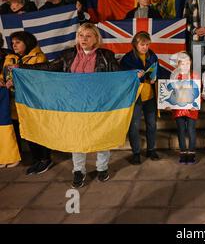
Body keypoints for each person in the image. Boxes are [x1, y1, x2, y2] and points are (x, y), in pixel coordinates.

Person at [21, 23, 120, 187]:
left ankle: (102, 168)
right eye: (81, 35)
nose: (84, 39)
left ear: (96, 38)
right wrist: (22, 67)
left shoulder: (106, 55)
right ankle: (78, 171)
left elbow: (119, 76)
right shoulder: (68, 54)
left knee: (102, 137)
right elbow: (49, 67)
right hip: (74, 105)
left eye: (88, 36)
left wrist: (134, 74)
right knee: (76, 138)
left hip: (98, 105)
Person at [3, 31, 51, 174]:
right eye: (12, 43)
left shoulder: (38, 57)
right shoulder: (12, 58)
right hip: (18, 103)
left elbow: (38, 80)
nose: (14, 45)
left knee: (38, 131)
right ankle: (36, 160)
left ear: (27, 42)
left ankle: (45, 159)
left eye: (18, 42)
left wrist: (16, 80)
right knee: (27, 132)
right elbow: (5, 75)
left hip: (34, 102)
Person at [120, 32, 159, 164]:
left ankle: (151, 149)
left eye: (147, 45)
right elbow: (122, 78)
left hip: (150, 96)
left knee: (152, 124)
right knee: (134, 126)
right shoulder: (127, 59)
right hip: (135, 97)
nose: (145, 47)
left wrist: (154, 77)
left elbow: (156, 70)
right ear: (135, 44)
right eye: (142, 44)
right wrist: (134, 76)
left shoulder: (152, 56)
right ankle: (136, 152)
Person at [169, 52, 200, 164]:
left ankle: (191, 152)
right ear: (178, 64)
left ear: (191, 63)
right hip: (178, 108)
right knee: (181, 130)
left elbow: (198, 92)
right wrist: (168, 104)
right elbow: (170, 93)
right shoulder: (174, 76)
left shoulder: (195, 75)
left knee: (191, 130)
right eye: (183, 63)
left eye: (188, 62)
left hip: (191, 108)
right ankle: (183, 152)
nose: (185, 65)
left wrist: (196, 104)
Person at [0, 35, 21, 169]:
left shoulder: (9, 56)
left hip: (4, 93)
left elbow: (11, 74)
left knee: (4, 123)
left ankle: (10, 155)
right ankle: (2, 156)